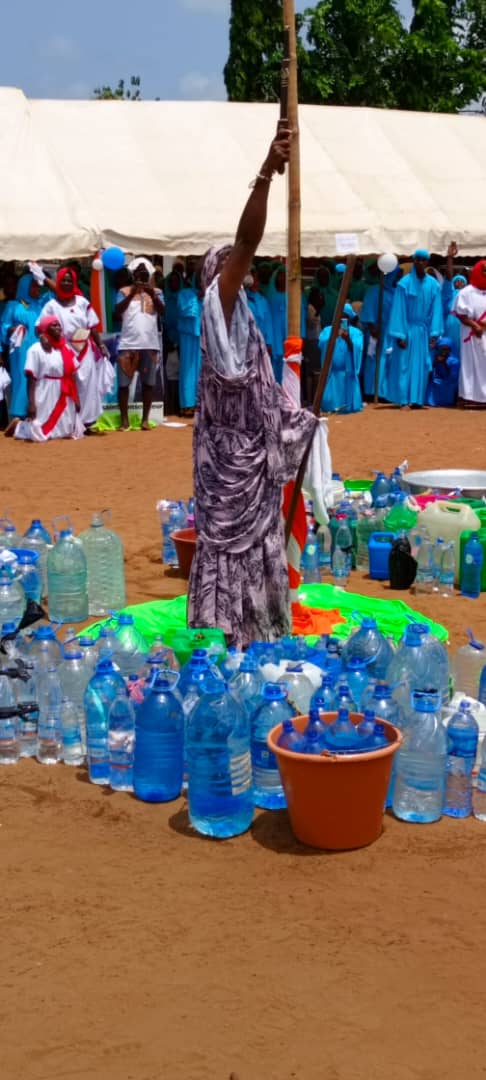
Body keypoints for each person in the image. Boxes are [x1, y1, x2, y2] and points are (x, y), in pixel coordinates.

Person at [188, 129, 319, 649]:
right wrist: (266, 172)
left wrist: (296, 425)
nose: (241, 271)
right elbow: (247, 243)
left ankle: (256, 641)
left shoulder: (243, 323)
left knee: (260, 549)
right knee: (232, 553)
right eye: (231, 268)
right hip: (229, 469)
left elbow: (264, 399)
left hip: (250, 462)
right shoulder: (217, 309)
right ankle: (233, 642)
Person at [40, 267, 111, 431]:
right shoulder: (51, 305)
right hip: (63, 350)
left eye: (69, 280)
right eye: (63, 280)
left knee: (87, 386)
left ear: (74, 283)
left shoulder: (82, 302)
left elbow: (92, 325)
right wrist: (45, 338)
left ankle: (87, 423)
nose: (66, 283)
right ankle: (69, 423)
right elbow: (40, 326)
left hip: (84, 349)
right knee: (67, 386)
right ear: (58, 282)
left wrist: (100, 344)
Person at [4, 315, 83, 441]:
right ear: (45, 328)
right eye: (53, 325)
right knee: (41, 433)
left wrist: (77, 398)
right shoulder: (36, 350)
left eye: (58, 324)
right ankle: (20, 426)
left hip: (64, 392)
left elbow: (71, 375)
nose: (58, 327)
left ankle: (23, 426)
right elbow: (31, 378)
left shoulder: (65, 348)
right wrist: (31, 404)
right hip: (45, 391)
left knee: (65, 431)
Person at [387, 249, 443, 407]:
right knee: (404, 365)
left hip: (423, 331)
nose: (419, 262)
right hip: (407, 329)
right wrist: (400, 335)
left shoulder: (433, 285)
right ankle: (403, 400)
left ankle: (416, 399)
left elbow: (436, 310)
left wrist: (434, 333)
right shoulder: (404, 284)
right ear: (413, 261)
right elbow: (399, 310)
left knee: (421, 367)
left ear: (427, 262)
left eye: (423, 260)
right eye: (417, 259)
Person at [114, 257, 164, 430]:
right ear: (133, 274)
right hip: (128, 344)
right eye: (138, 272)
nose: (141, 276)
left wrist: (151, 294)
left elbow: (163, 311)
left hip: (150, 344)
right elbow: (117, 311)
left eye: (144, 273)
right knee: (123, 385)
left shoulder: (156, 291)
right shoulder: (123, 291)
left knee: (148, 384)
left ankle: (145, 420)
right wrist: (132, 293)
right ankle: (124, 420)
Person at [3, 274, 48, 419]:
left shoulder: (42, 303)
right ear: (24, 287)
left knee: (40, 378)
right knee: (23, 378)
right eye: (34, 285)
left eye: (38, 285)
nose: (38, 289)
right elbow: (3, 327)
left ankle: (39, 413)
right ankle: (19, 414)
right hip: (20, 349)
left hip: (41, 347)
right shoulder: (13, 305)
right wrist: (12, 329)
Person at [360, 263, 401, 399]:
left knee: (389, 361)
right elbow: (369, 310)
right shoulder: (374, 291)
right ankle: (373, 390)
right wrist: (372, 327)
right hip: (377, 331)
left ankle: (386, 392)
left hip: (391, 332)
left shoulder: (396, 292)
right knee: (375, 360)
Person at [318, 303, 363, 414]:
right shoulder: (328, 330)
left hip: (348, 373)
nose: (342, 318)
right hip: (332, 373)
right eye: (340, 316)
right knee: (329, 403)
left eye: (344, 316)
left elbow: (357, 348)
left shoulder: (356, 332)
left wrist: (347, 339)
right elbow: (321, 343)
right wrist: (334, 335)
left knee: (349, 406)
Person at [453, 259, 486, 407]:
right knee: (471, 364)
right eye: (483, 270)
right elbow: (460, 314)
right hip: (471, 333)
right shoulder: (466, 292)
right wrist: (474, 325)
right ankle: (469, 396)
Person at [177, 272, 203, 417]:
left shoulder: (207, 295)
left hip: (202, 337)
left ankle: (200, 403)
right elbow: (183, 311)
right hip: (188, 336)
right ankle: (187, 404)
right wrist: (196, 299)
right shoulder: (185, 293)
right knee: (188, 371)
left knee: (200, 371)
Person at [244, 268, 274, 356]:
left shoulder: (263, 300)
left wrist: (269, 342)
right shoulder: (242, 299)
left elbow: (268, 322)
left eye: (257, 280)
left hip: (262, 341)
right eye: (253, 280)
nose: (256, 283)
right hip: (247, 342)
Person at [425, 336, 460, 407]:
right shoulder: (435, 357)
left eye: (446, 349)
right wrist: (435, 363)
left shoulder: (455, 361)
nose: (444, 351)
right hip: (436, 382)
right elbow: (430, 373)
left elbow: (453, 378)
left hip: (448, 383)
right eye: (442, 348)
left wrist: (444, 363)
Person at [267, 264, 287, 382]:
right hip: (274, 336)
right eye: (280, 276)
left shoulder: (293, 296)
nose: (282, 278)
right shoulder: (270, 296)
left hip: (288, 335)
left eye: (285, 276)